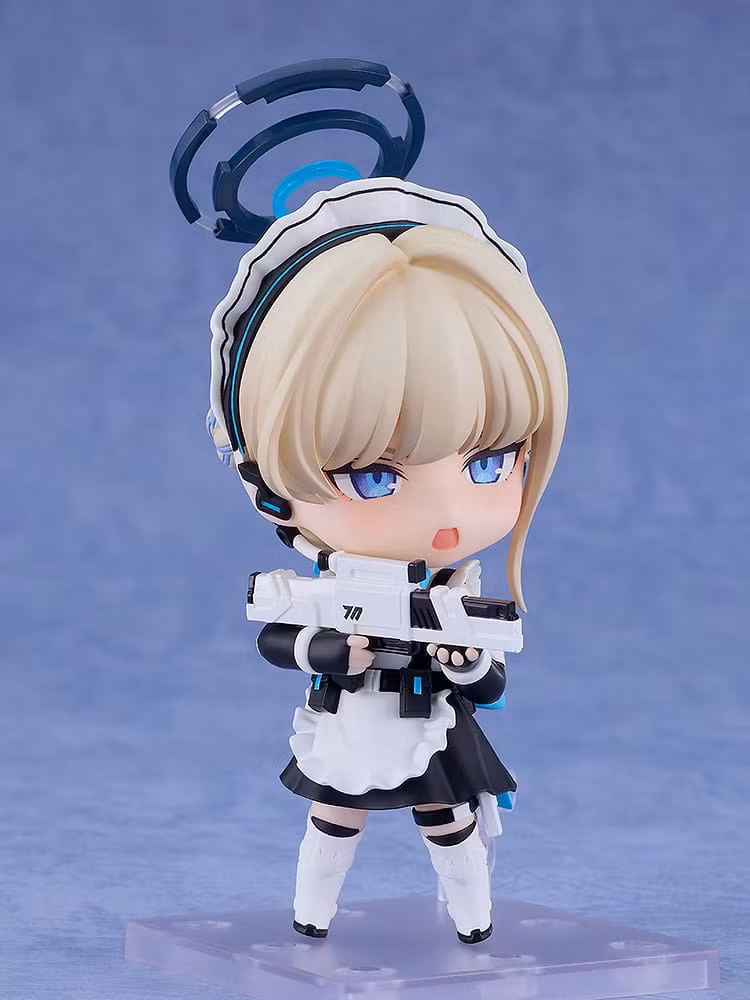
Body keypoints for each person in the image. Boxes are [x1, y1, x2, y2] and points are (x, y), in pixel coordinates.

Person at [207, 177, 568, 944]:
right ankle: (312, 918)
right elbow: (278, 637)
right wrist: (335, 651)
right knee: (332, 819)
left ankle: (474, 923)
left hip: (425, 718)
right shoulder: (332, 584)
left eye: (490, 462)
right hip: (350, 715)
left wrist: (467, 660)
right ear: (265, 479)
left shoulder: (457, 594)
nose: (446, 516)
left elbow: (488, 683)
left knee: (449, 822)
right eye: (374, 476)